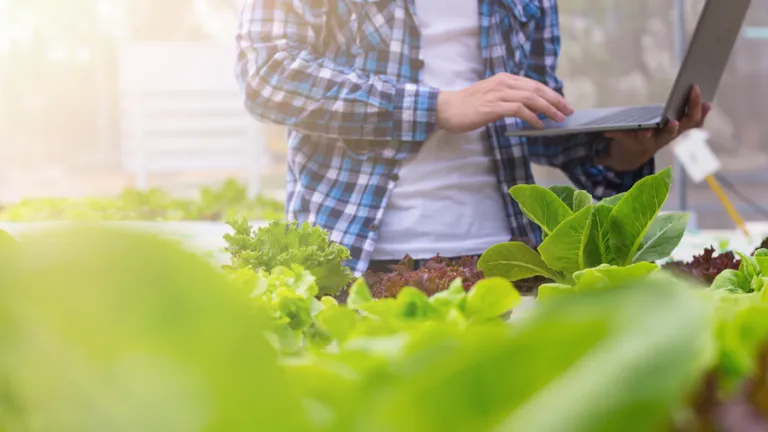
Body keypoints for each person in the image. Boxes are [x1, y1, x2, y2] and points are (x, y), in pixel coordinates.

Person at [235, 0, 710, 276]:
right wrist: (437, 107)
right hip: (360, 257)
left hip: (505, 260)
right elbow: (268, 77)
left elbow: (528, 112)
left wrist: (619, 153)